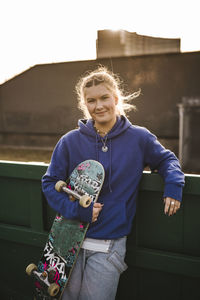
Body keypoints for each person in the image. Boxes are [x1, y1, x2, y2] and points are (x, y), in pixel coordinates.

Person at [42, 66, 185, 300]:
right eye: (91, 101)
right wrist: (77, 210)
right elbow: (49, 183)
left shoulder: (139, 138)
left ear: (116, 98)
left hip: (109, 246)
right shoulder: (69, 141)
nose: (98, 106)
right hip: (66, 242)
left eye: (104, 98)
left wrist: (173, 186)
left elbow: (167, 159)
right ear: (84, 105)